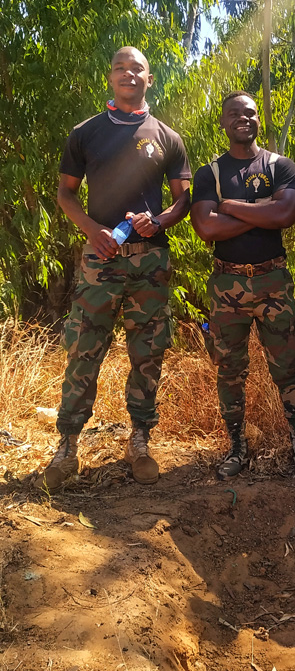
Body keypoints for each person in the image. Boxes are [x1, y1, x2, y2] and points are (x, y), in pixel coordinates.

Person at [35, 46, 191, 492]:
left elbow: (184, 198)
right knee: (85, 348)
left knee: (148, 351)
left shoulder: (167, 137)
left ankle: (139, 441)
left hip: (150, 262)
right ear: (110, 78)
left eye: (137, 68)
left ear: (150, 78)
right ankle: (67, 447)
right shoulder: (86, 133)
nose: (128, 74)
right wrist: (91, 230)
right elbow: (66, 194)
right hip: (99, 259)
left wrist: (159, 220)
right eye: (121, 68)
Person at [190, 91, 295, 482]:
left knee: (288, 367)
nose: (242, 118)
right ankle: (236, 447)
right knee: (229, 369)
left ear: (257, 120)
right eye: (234, 113)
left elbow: (287, 213)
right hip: (226, 283)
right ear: (223, 122)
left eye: (249, 113)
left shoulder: (280, 165)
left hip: (273, 281)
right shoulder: (209, 173)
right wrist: (263, 211)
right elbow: (206, 228)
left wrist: (229, 206)